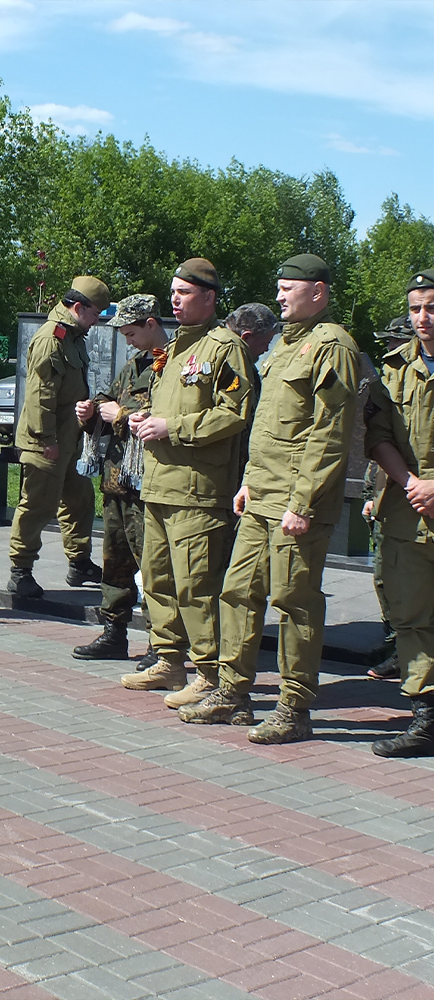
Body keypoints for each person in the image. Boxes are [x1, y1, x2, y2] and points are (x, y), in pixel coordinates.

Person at [180, 254, 360, 743]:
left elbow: (329, 433)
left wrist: (303, 503)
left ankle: (293, 708)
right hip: (262, 495)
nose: (279, 295)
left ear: (317, 291)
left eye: (288, 287)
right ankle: (233, 695)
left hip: (296, 502)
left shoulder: (332, 345)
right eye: (278, 287)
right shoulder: (285, 345)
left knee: (294, 601)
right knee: (237, 592)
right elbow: (267, 427)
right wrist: (248, 482)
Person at [122, 258, 257, 706]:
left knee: (195, 586)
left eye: (183, 293)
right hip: (159, 484)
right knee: (157, 579)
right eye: (173, 293)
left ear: (209, 297)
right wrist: (146, 418)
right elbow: (172, 405)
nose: (174, 301)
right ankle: (169, 660)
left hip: (197, 490)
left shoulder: (225, 347)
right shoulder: (176, 347)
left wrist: (171, 427)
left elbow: (233, 413)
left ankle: (209, 672)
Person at [72, 294, 167, 662]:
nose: (128, 340)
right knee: (115, 562)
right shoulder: (135, 364)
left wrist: (121, 414)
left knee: (153, 567)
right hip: (117, 480)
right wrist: (90, 410)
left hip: (147, 483)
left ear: (150, 324)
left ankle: (161, 644)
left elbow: (162, 415)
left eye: (131, 333)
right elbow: (107, 398)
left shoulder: (168, 364)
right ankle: (114, 633)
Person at [363, 269, 434, 756]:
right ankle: (426, 718)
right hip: (408, 508)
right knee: (411, 617)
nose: (422, 317)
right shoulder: (394, 367)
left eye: (431, 307)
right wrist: (412, 484)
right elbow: (379, 436)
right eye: (415, 308)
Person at [8, 276, 109, 599]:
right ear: (78, 307)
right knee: (38, 505)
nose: (97, 321)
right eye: (95, 314)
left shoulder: (73, 337)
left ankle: (79, 563)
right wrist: (45, 439)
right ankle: (20, 571)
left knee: (80, 499)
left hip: (67, 439)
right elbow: (40, 395)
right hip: (46, 441)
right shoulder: (51, 339)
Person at [362, 315, 412, 680]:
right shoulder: (390, 379)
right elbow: (377, 446)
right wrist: (371, 494)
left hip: (411, 497)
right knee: (385, 577)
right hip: (387, 497)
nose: (390, 348)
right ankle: (395, 644)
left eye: (396, 341)